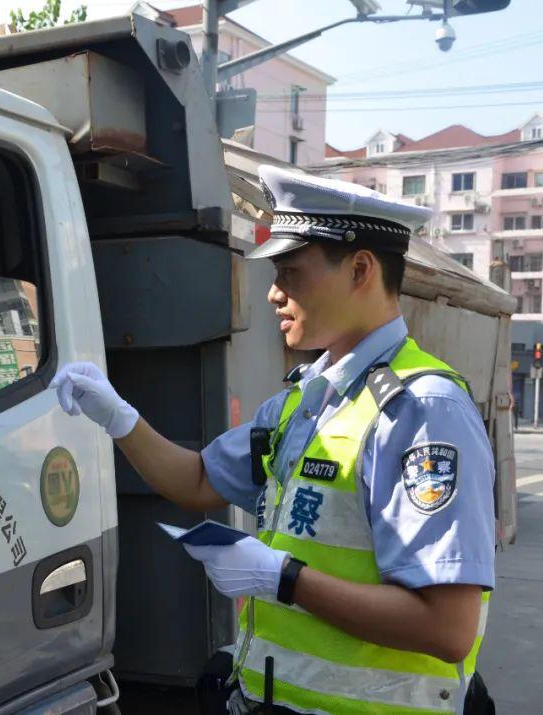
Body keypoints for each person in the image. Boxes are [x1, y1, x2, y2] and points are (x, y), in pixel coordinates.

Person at [50, 166, 496, 714]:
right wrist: (119, 418)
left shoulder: (421, 410)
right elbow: (195, 480)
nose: (273, 294)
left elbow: (447, 627)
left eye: (290, 272)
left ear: (360, 269)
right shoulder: (305, 399)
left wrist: (283, 579)